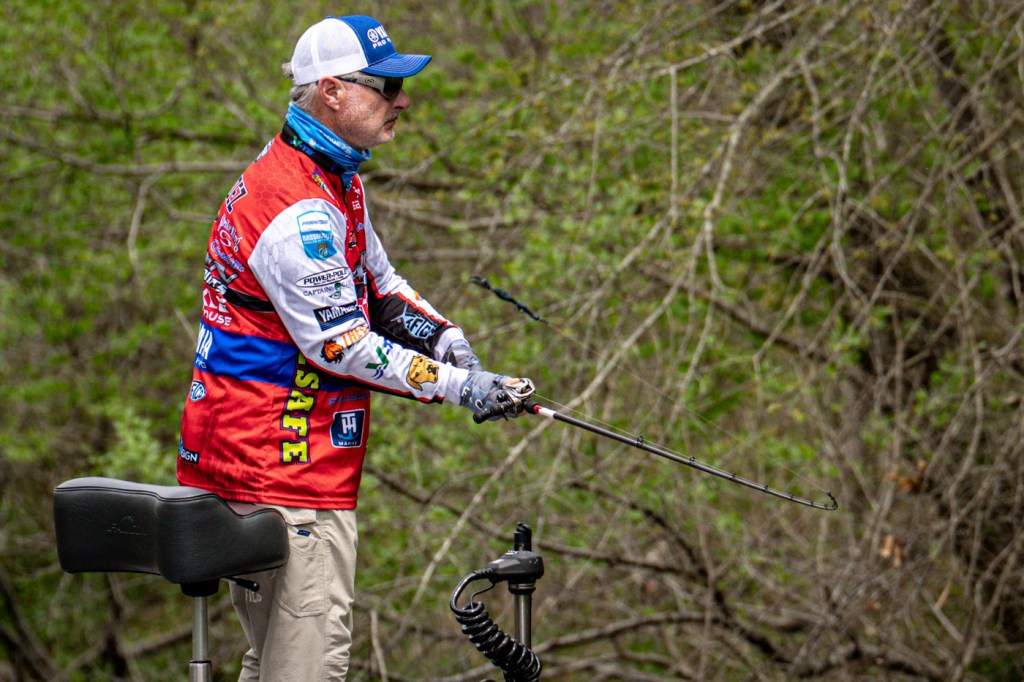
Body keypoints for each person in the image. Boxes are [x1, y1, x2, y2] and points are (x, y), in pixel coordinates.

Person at [177, 14, 532, 680]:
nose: (403, 101)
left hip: (265, 461)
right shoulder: (298, 210)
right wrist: (460, 388)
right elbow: (342, 347)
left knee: (273, 662)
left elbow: (380, 285)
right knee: (308, 668)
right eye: (386, 87)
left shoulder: (330, 178)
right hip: (282, 472)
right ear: (333, 91)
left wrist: (448, 341)